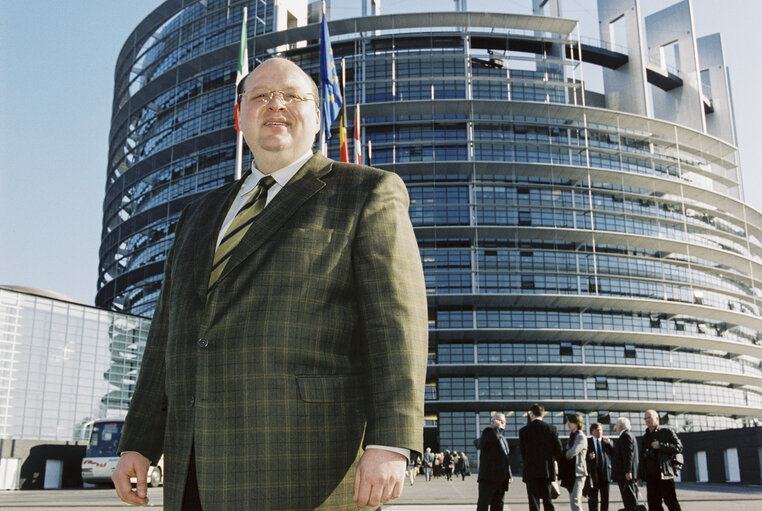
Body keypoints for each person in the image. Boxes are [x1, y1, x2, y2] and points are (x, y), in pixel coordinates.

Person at [111, 57, 429, 511]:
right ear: (239, 116)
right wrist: (138, 442)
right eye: (259, 96)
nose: (275, 105)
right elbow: (168, 333)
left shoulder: (367, 193)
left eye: (292, 96)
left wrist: (392, 440)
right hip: (194, 471)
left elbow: (398, 326)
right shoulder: (196, 215)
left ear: (318, 116)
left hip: (307, 464)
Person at [519, 404, 563, 511]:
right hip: (547, 471)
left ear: (531, 414)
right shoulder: (552, 429)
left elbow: (523, 452)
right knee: (547, 500)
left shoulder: (524, 431)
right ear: (543, 414)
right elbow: (559, 450)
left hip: (531, 471)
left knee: (533, 502)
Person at [638, 410, 683, 511]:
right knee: (653, 505)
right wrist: (640, 476)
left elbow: (679, 447)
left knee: (671, 503)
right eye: (645, 418)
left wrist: (661, 445)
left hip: (664, 475)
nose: (647, 420)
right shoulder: (645, 437)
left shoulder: (666, 432)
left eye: (649, 417)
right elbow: (642, 458)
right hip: (651, 477)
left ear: (657, 418)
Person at [476, 413, 513, 511]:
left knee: (498, 505)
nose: (503, 424)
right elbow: (486, 441)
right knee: (483, 505)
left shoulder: (503, 439)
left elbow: (506, 457)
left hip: (501, 479)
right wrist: (496, 428)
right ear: (494, 422)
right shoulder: (488, 433)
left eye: (504, 422)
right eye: (500, 421)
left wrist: (509, 474)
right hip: (488, 478)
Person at [612, 417, 640, 511]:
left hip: (626, 474)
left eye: (616, 426)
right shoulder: (631, 435)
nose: (615, 428)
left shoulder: (625, 436)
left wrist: (628, 471)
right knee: (631, 499)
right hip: (628, 474)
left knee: (629, 501)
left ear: (619, 426)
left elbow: (628, 454)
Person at [563, 414, 588, 511]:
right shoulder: (572, 437)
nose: (568, 424)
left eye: (570, 422)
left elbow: (571, 453)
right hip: (571, 473)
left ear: (577, 423)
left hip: (579, 473)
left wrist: (562, 454)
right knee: (573, 499)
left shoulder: (581, 437)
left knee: (575, 500)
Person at [586, 422, 613, 511]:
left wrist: (610, 444)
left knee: (605, 498)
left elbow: (614, 454)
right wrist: (588, 457)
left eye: (601, 430)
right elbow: (582, 457)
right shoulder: (587, 442)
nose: (599, 432)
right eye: (597, 430)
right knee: (593, 499)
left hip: (605, 474)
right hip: (593, 474)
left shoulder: (606, 441)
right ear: (592, 431)